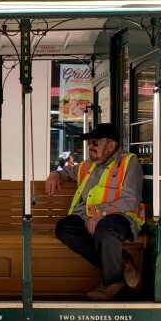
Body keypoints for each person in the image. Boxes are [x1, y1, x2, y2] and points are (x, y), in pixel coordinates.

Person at [45, 123, 144, 301]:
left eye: (95, 143)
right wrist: (56, 174)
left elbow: (130, 200)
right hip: (88, 219)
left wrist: (102, 214)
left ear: (111, 146)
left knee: (105, 230)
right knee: (64, 227)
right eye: (90, 142)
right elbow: (68, 172)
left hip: (120, 217)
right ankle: (122, 263)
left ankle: (112, 281)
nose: (90, 146)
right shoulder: (87, 165)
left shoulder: (129, 162)